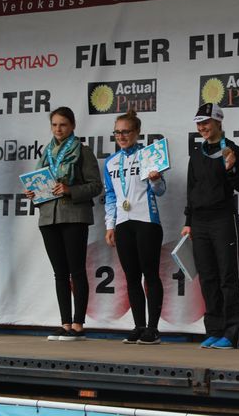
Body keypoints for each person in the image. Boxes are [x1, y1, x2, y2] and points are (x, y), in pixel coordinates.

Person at [25, 107, 102, 342]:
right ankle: (65, 323)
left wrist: (70, 190)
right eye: (55, 125)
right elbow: (39, 182)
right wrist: (33, 192)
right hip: (49, 217)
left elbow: (95, 186)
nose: (58, 129)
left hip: (74, 216)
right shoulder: (46, 153)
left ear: (73, 126)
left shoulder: (82, 151)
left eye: (63, 125)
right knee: (60, 273)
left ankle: (78, 325)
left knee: (76, 270)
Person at [182, 103, 239, 349]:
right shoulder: (197, 153)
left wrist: (231, 168)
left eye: (206, 122)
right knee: (208, 277)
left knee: (227, 276)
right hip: (199, 222)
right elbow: (191, 189)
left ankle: (233, 332)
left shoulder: (231, 149)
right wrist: (188, 222)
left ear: (218, 122)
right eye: (199, 123)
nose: (202, 127)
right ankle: (214, 329)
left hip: (223, 219)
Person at [103, 109, 166, 345]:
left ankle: (153, 328)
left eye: (126, 132)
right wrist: (110, 226)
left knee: (150, 275)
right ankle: (139, 326)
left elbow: (161, 190)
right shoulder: (110, 162)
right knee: (131, 277)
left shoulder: (149, 155)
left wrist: (156, 179)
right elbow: (110, 196)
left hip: (147, 221)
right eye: (117, 132)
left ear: (137, 132)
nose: (121, 136)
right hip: (123, 223)